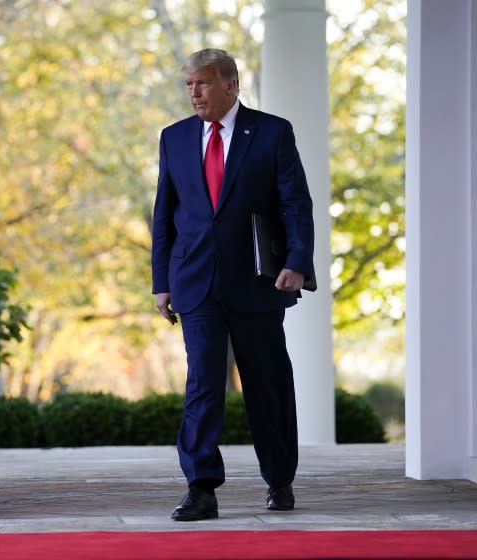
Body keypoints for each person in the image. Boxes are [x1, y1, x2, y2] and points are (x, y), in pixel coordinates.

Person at [151, 48, 315, 521]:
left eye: (201, 84)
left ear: (230, 85)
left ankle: (279, 479)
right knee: (202, 384)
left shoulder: (272, 132)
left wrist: (298, 262)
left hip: (258, 282)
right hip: (195, 281)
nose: (193, 93)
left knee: (267, 384)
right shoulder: (175, 138)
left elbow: (295, 204)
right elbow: (165, 215)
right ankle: (201, 487)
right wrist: (161, 281)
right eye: (188, 85)